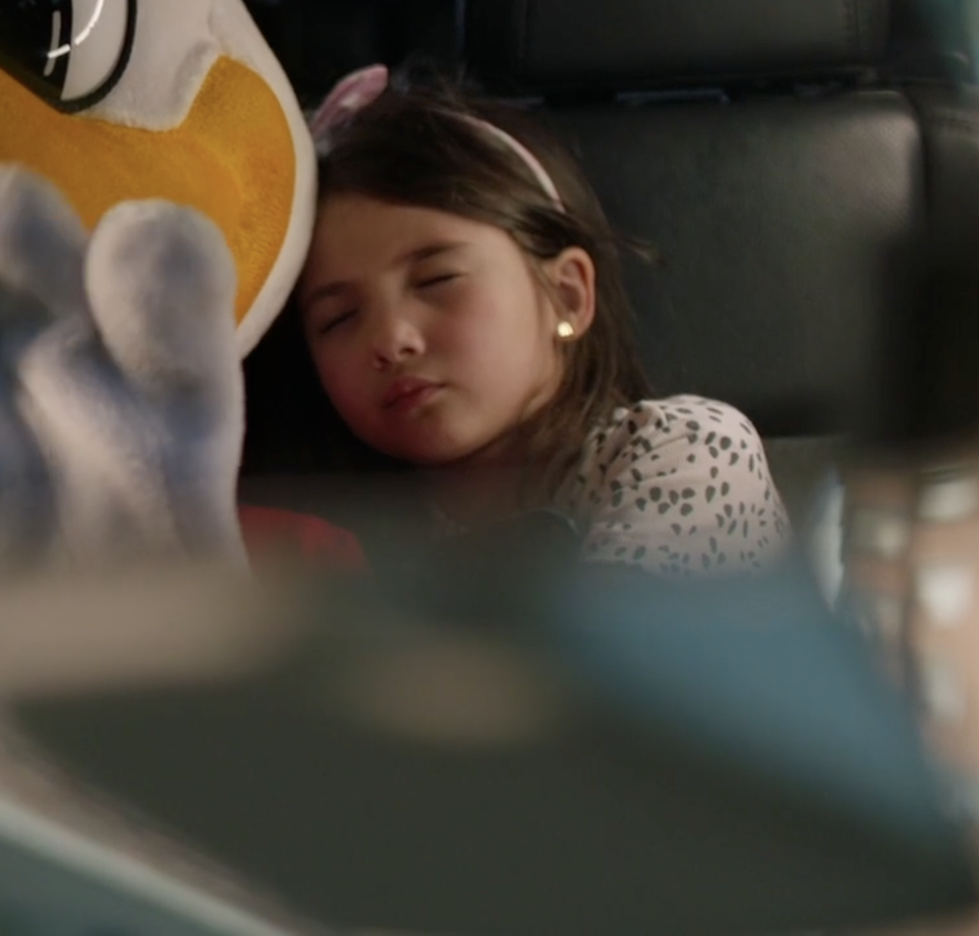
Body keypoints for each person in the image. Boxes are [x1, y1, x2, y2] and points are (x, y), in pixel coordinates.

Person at [283, 65, 788, 575]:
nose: (391, 340)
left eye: (437, 280)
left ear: (566, 295)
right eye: (338, 319)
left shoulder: (687, 451)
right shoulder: (338, 535)